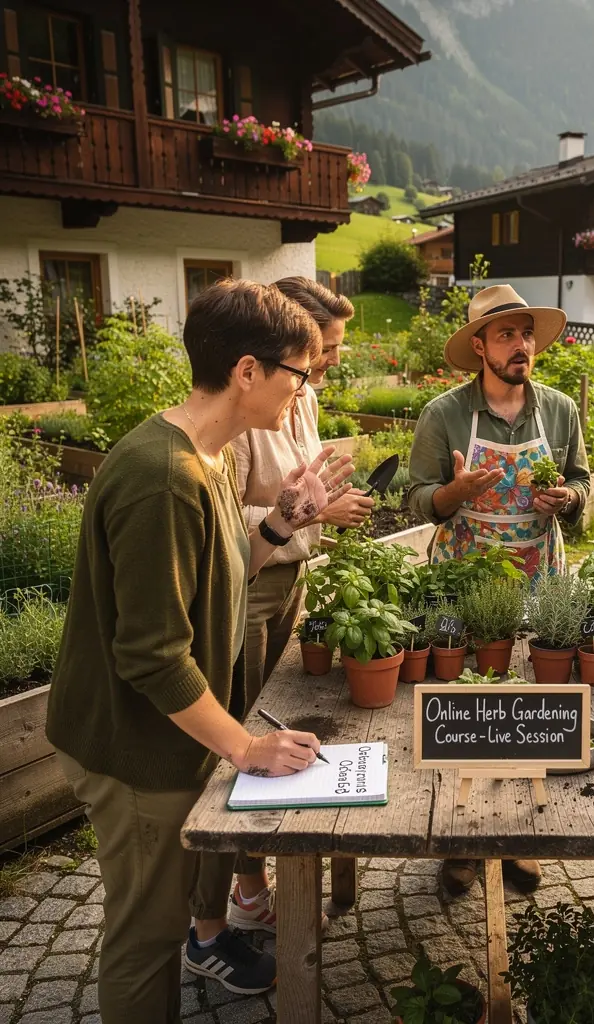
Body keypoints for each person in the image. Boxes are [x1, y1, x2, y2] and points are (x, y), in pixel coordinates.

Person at [46, 280, 353, 1024]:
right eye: (299, 372)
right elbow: (153, 655)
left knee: (154, 921)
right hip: (133, 751)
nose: (304, 390)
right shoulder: (162, 476)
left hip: (167, 740)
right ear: (248, 371)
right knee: (146, 939)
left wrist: (281, 522)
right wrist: (246, 748)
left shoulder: (207, 459)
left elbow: (226, 571)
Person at [407, 283, 591, 895]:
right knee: (466, 705)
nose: (521, 345)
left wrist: (567, 498)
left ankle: (517, 838)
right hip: (467, 575)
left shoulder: (560, 410)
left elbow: (583, 481)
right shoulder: (445, 414)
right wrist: (454, 495)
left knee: (529, 704)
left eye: (526, 333)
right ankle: (459, 842)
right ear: (479, 345)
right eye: (506, 334)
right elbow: (416, 497)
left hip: (541, 572)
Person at [226, 276, 374, 934]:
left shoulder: (302, 396)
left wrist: (325, 509)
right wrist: (302, 511)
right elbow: (223, 520)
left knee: (277, 725)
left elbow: (301, 491)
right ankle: (243, 889)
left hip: (292, 577)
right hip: (249, 588)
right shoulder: (235, 418)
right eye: (325, 348)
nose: (332, 359)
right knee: (241, 737)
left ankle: (267, 868)